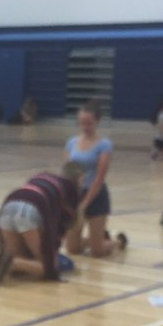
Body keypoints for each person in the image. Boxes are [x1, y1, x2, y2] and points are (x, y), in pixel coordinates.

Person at [0, 171, 82, 284]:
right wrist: (53, 254)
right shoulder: (71, 190)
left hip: (8, 206)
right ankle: (13, 263)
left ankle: (3, 262)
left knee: (20, 260)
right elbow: (61, 226)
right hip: (31, 209)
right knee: (47, 267)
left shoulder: (40, 176)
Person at [62, 100, 127, 257]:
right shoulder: (71, 143)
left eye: (89, 123)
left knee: (97, 252)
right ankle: (93, 239)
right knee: (72, 249)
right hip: (76, 195)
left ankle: (117, 241)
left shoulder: (104, 145)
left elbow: (99, 178)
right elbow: (67, 172)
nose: (85, 127)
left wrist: (84, 204)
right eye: (82, 123)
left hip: (96, 196)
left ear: (97, 121)